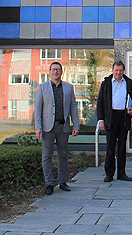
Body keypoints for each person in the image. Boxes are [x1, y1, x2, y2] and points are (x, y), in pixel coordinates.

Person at [34, 61, 80, 195]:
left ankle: (62, 182)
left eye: (58, 69)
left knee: (63, 155)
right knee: (47, 156)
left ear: (61, 72)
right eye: (53, 69)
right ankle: (49, 183)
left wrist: (75, 125)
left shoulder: (68, 87)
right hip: (48, 128)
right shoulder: (42, 88)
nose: (56, 72)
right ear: (49, 72)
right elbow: (38, 108)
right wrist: (38, 126)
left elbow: (73, 107)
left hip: (63, 127)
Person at [97, 60, 132, 183]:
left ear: (123, 71)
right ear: (112, 70)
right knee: (110, 147)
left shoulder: (129, 83)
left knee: (122, 148)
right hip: (110, 118)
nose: (118, 72)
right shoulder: (106, 83)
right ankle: (109, 174)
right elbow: (100, 102)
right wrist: (101, 120)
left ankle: (121, 173)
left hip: (124, 117)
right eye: (116, 70)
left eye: (121, 70)